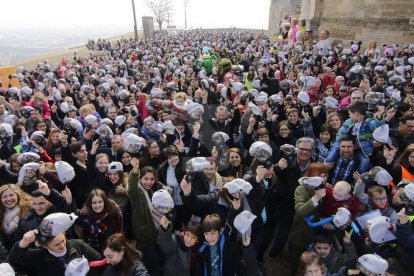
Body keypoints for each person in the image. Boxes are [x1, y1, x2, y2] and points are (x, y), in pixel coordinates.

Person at [10, 212, 102, 276]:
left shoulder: (77, 244)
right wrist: (24, 242)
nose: (62, 246)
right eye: (56, 244)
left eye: (63, 241)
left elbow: (99, 260)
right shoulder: (40, 256)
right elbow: (17, 258)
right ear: (46, 246)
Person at [0, 184, 32, 249]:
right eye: (4, 197)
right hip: (8, 252)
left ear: (17, 195)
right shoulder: (1, 214)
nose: (8, 199)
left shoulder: (30, 209)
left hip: (28, 248)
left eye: (11, 195)